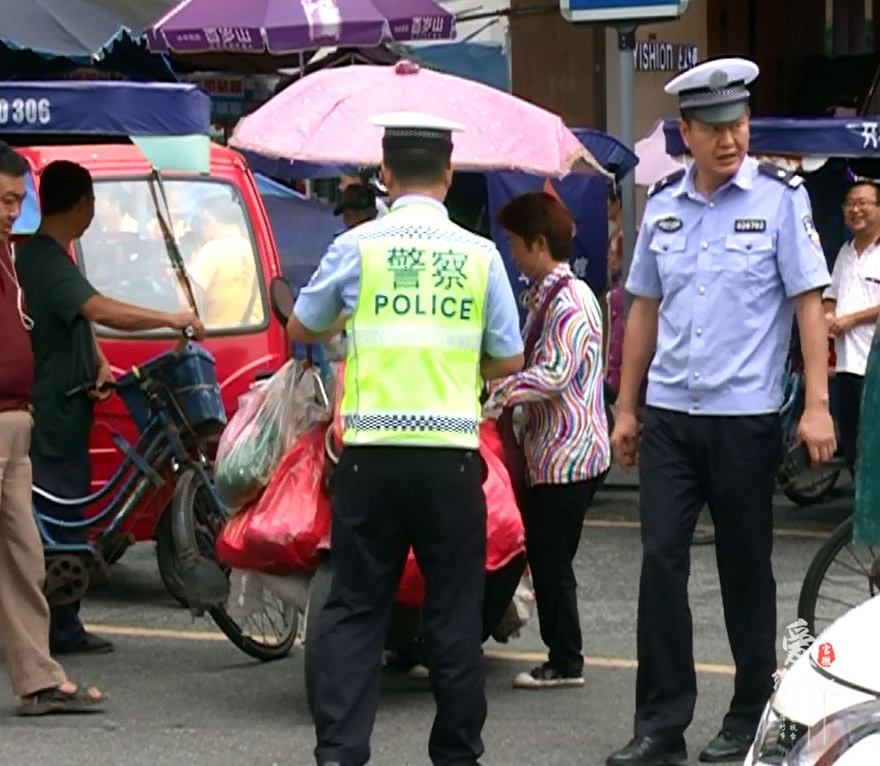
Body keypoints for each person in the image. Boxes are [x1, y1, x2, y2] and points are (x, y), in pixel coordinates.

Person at [606, 58, 836, 766]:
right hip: (671, 416)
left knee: (745, 568)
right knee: (659, 563)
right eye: (713, 128)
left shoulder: (779, 201)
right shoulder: (664, 205)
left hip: (744, 417)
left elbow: (808, 305)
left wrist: (818, 406)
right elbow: (642, 310)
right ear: (686, 132)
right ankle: (660, 726)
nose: (729, 139)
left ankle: (748, 712)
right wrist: (625, 406)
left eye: (737, 124)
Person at [286, 111, 524, 766]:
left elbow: (304, 326)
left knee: (356, 610)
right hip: (451, 463)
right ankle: (456, 755)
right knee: (453, 617)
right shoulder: (479, 256)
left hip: (370, 459)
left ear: (385, 174)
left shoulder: (357, 247)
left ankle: (340, 753)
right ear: (449, 173)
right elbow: (508, 356)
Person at [0, 140, 106, 732]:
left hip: (12, 426)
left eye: (19, 199)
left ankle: (37, 679)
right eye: (6, 200)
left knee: (23, 561)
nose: (15, 211)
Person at [15, 160, 204, 656]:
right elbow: (99, 309)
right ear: (82, 205)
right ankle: (58, 627)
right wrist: (170, 319)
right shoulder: (45, 259)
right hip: (52, 413)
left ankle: (63, 623)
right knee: (60, 523)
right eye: (92, 202)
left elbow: (80, 320)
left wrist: (99, 363)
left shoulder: (59, 257)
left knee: (70, 516)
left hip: (73, 404)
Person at [486, 192, 611, 690]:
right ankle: (560, 652)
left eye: (517, 244)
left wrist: (498, 394)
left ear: (540, 243)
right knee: (546, 556)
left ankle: (565, 661)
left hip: (569, 455)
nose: (513, 254)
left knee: (549, 559)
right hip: (551, 452)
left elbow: (554, 374)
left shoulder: (571, 300)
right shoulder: (544, 294)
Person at [823, 179, 880, 477]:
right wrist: (829, 316)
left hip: (875, 366)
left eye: (863, 203)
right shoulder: (846, 252)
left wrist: (852, 319)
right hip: (846, 365)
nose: (856, 209)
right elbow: (831, 294)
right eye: (850, 204)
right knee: (852, 443)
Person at [187, 196, 262, 329]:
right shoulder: (257, 251)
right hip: (250, 337)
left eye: (202, 224)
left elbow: (185, 299)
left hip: (216, 339)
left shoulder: (212, 250)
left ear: (211, 221)